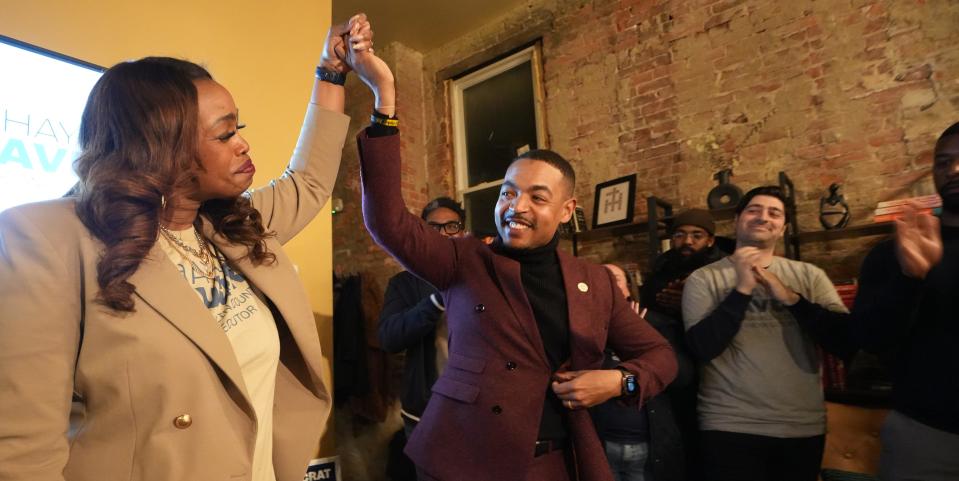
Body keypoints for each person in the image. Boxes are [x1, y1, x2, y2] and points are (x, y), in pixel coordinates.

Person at [0, 16, 382, 481]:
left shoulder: (232, 226)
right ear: (160, 148)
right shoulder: (47, 239)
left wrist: (330, 71)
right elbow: (23, 455)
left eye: (238, 126)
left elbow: (310, 180)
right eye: (225, 134)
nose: (244, 144)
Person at [350, 48, 677, 481]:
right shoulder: (465, 259)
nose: (515, 206)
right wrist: (384, 100)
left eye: (537, 197)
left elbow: (660, 355)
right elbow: (387, 220)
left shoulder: (593, 282)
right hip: (461, 460)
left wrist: (620, 382)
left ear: (566, 210)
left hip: (552, 462)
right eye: (507, 192)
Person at [682, 186, 855, 481]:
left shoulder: (809, 276)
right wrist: (742, 290)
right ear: (737, 221)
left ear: (783, 228)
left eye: (774, 213)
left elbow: (845, 343)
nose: (763, 217)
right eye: (753, 210)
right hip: (728, 425)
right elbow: (703, 348)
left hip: (802, 426)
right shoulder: (703, 279)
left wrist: (790, 298)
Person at [852, 122, 959, 481]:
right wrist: (909, 277)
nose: (953, 170)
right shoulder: (891, 253)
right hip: (925, 434)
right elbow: (869, 338)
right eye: (943, 162)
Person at [591, 264, 691, 481]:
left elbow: (682, 376)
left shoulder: (659, 324)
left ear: (629, 287)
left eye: (614, 278)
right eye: (600, 277)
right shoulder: (586, 330)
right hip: (602, 445)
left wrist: (638, 342)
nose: (607, 282)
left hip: (651, 446)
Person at [379, 197, 466, 437]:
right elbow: (389, 338)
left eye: (452, 226)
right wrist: (436, 302)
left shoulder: (481, 278)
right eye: (433, 228)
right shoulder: (404, 284)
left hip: (478, 412)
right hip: (425, 416)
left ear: (462, 232)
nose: (443, 234)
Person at [640, 208, 724, 319]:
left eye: (697, 236)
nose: (687, 241)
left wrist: (691, 304)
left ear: (710, 241)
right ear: (672, 239)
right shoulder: (661, 267)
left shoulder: (724, 269)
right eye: (679, 235)